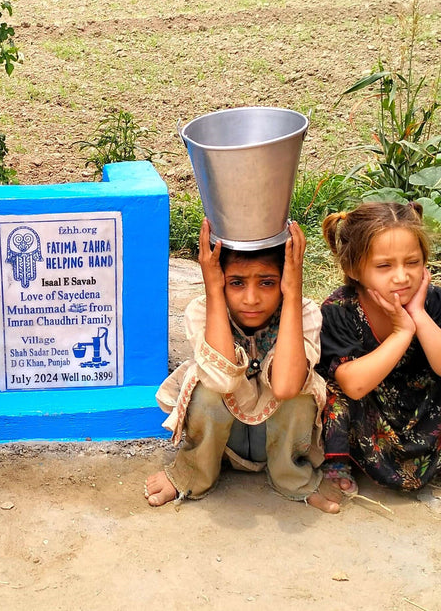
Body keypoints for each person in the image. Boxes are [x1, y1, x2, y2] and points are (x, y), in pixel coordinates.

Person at [145, 219, 337, 512]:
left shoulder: (305, 312)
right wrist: (213, 291)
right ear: (220, 279)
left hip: (274, 443)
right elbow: (222, 380)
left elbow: (286, 386)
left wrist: (293, 293)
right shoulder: (201, 311)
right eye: (236, 283)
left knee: (299, 390)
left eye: (267, 282)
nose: (251, 298)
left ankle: (292, 477)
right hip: (224, 447)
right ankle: (193, 473)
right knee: (206, 387)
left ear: (285, 279)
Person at [318, 201, 441, 498]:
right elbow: (354, 385)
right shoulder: (339, 311)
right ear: (353, 268)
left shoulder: (433, 302)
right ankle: (338, 467)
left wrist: (419, 317)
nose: (401, 277)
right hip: (370, 420)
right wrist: (402, 332)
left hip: (422, 413)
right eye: (384, 266)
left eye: (412, 262)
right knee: (335, 391)